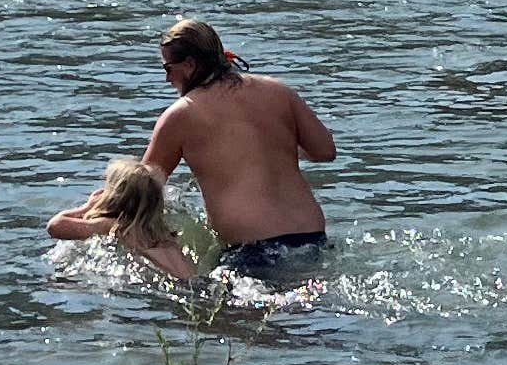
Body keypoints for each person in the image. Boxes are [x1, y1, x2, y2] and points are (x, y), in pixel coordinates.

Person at [140, 16, 336, 282]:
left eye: (167, 68)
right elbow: (325, 150)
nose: (166, 79)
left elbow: (141, 190)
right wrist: (279, 147)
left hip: (254, 254)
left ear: (189, 65)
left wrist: (91, 214)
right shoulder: (278, 90)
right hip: (313, 240)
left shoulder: (182, 114)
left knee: (225, 320)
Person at [45, 156, 203, 285]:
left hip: (166, 287)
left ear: (113, 198)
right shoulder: (161, 232)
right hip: (194, 283)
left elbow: (54, 226)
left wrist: (86, 208)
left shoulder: (114, 227)